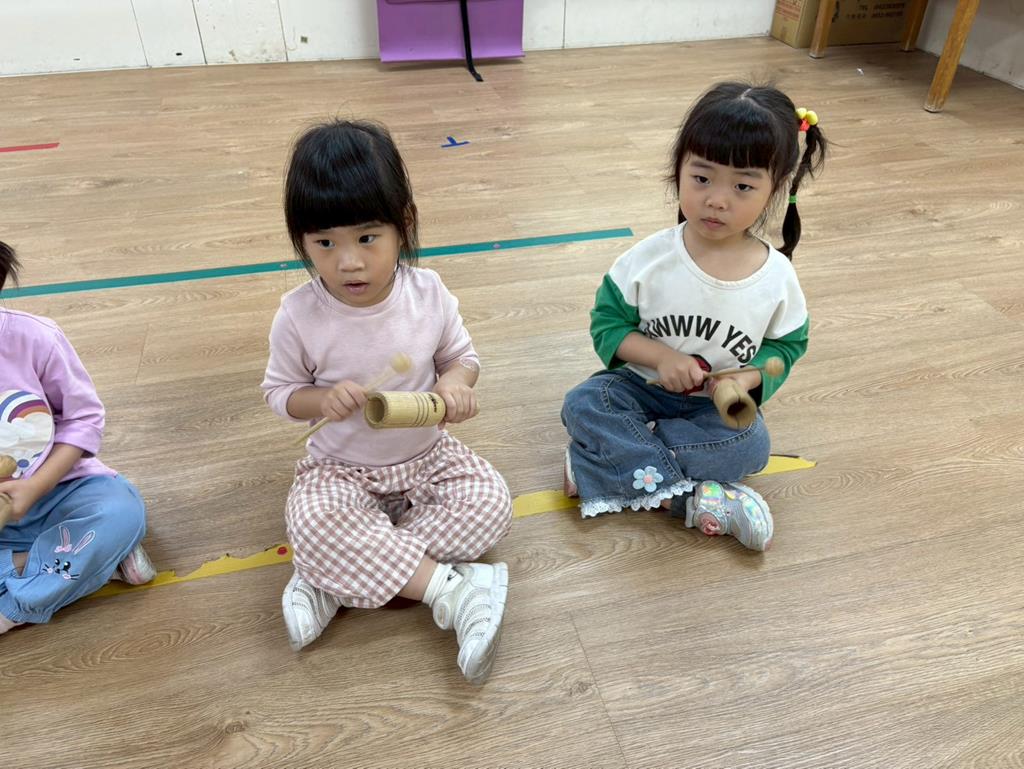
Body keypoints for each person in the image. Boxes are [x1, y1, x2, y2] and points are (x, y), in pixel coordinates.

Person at [262, 119, 512, 685]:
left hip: (428, 458)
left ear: (405, 225)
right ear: (301, 241)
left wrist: (456, 384)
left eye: (367, 238)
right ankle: (452, 591)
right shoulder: (298, 315)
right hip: (342, 468)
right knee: (314, 519)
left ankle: (334, 574)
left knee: (492, 505)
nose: (348, 262)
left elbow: (462, 357)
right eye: (325, 243)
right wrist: (319, 400)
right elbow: (280, 393)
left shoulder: (429, 293)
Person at [561, 82, 828, 551]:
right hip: (641, 387)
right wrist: (661, 357)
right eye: (702, 178)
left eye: (742, 186)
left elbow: (786, 348)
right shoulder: (648, 260)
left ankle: (604, 463)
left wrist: (746, 379)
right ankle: (688, 499)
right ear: (678, 169)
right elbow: (608, 325)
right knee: (585, 402)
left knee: (750, 446)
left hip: (710, 409)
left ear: (776, 187)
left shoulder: (777, 278)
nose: (717, 200)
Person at [1, 240, 155, 636]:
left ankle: (15, 605)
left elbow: (83, 419)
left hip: (62, 489)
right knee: (100, 538)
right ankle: (87, 563)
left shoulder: (36, 339)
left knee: (122, 511)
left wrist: (35, 486)